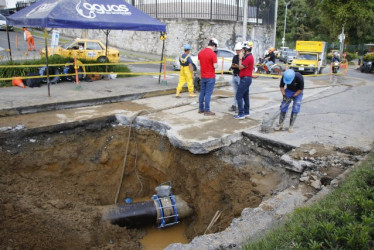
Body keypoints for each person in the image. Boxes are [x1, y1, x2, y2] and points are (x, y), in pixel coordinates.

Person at [197, 38, 218, 116]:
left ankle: (200, 108)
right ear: (214, 46)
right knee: (208, 94)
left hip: (203, 76)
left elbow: (198, 64)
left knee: (202, 92)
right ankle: (207, 110)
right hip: (210, 77)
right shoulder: (213, 54)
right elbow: (215, 66)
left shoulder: (200, 52)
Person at [234, 41, 254, 119]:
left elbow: (240, 67)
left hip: (245, 78)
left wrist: (240, 58)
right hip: (246, 78)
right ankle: (246, 112)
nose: (242, 51)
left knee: (239, 95)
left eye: (243, 49)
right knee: (245, 96)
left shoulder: (248, 58)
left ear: (246, 49)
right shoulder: (249, 57)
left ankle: (241, 113)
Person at [229, 42, 242, 112]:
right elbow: (232, 65)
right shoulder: (235, 57)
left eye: (238, 50)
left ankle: (240, 106)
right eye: (236, 50)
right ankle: (234, 105)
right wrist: (236, 66)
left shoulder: (242, 58)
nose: (237, 51)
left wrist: (237, 66)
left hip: (240, 76)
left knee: (240, 92)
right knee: (236, 92)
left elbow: (241, 67)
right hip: (234, 75)